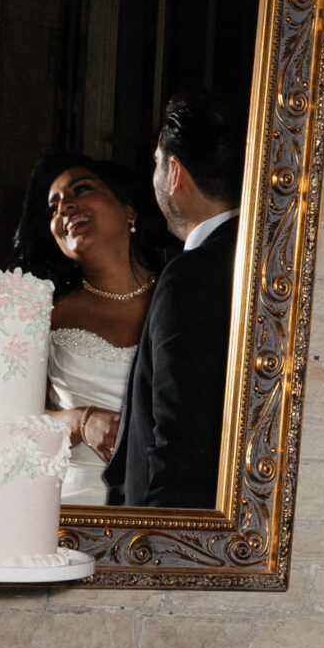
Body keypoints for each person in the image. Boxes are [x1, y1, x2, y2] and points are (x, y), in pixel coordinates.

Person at [105, 92, 245, 509]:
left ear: (175, 174)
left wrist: (155, 551)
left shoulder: (193, 274)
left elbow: (182, 438)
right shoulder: (258, 260)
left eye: (155, 163)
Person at [11, 155, 174, 504]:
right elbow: (13, 420)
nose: (65, 207)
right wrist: (80, 422)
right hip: (72, 503)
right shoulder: (42, 314)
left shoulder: (178, 297)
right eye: (53, 207)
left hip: (167, 501)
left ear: (129, 211)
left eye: (82, 190)